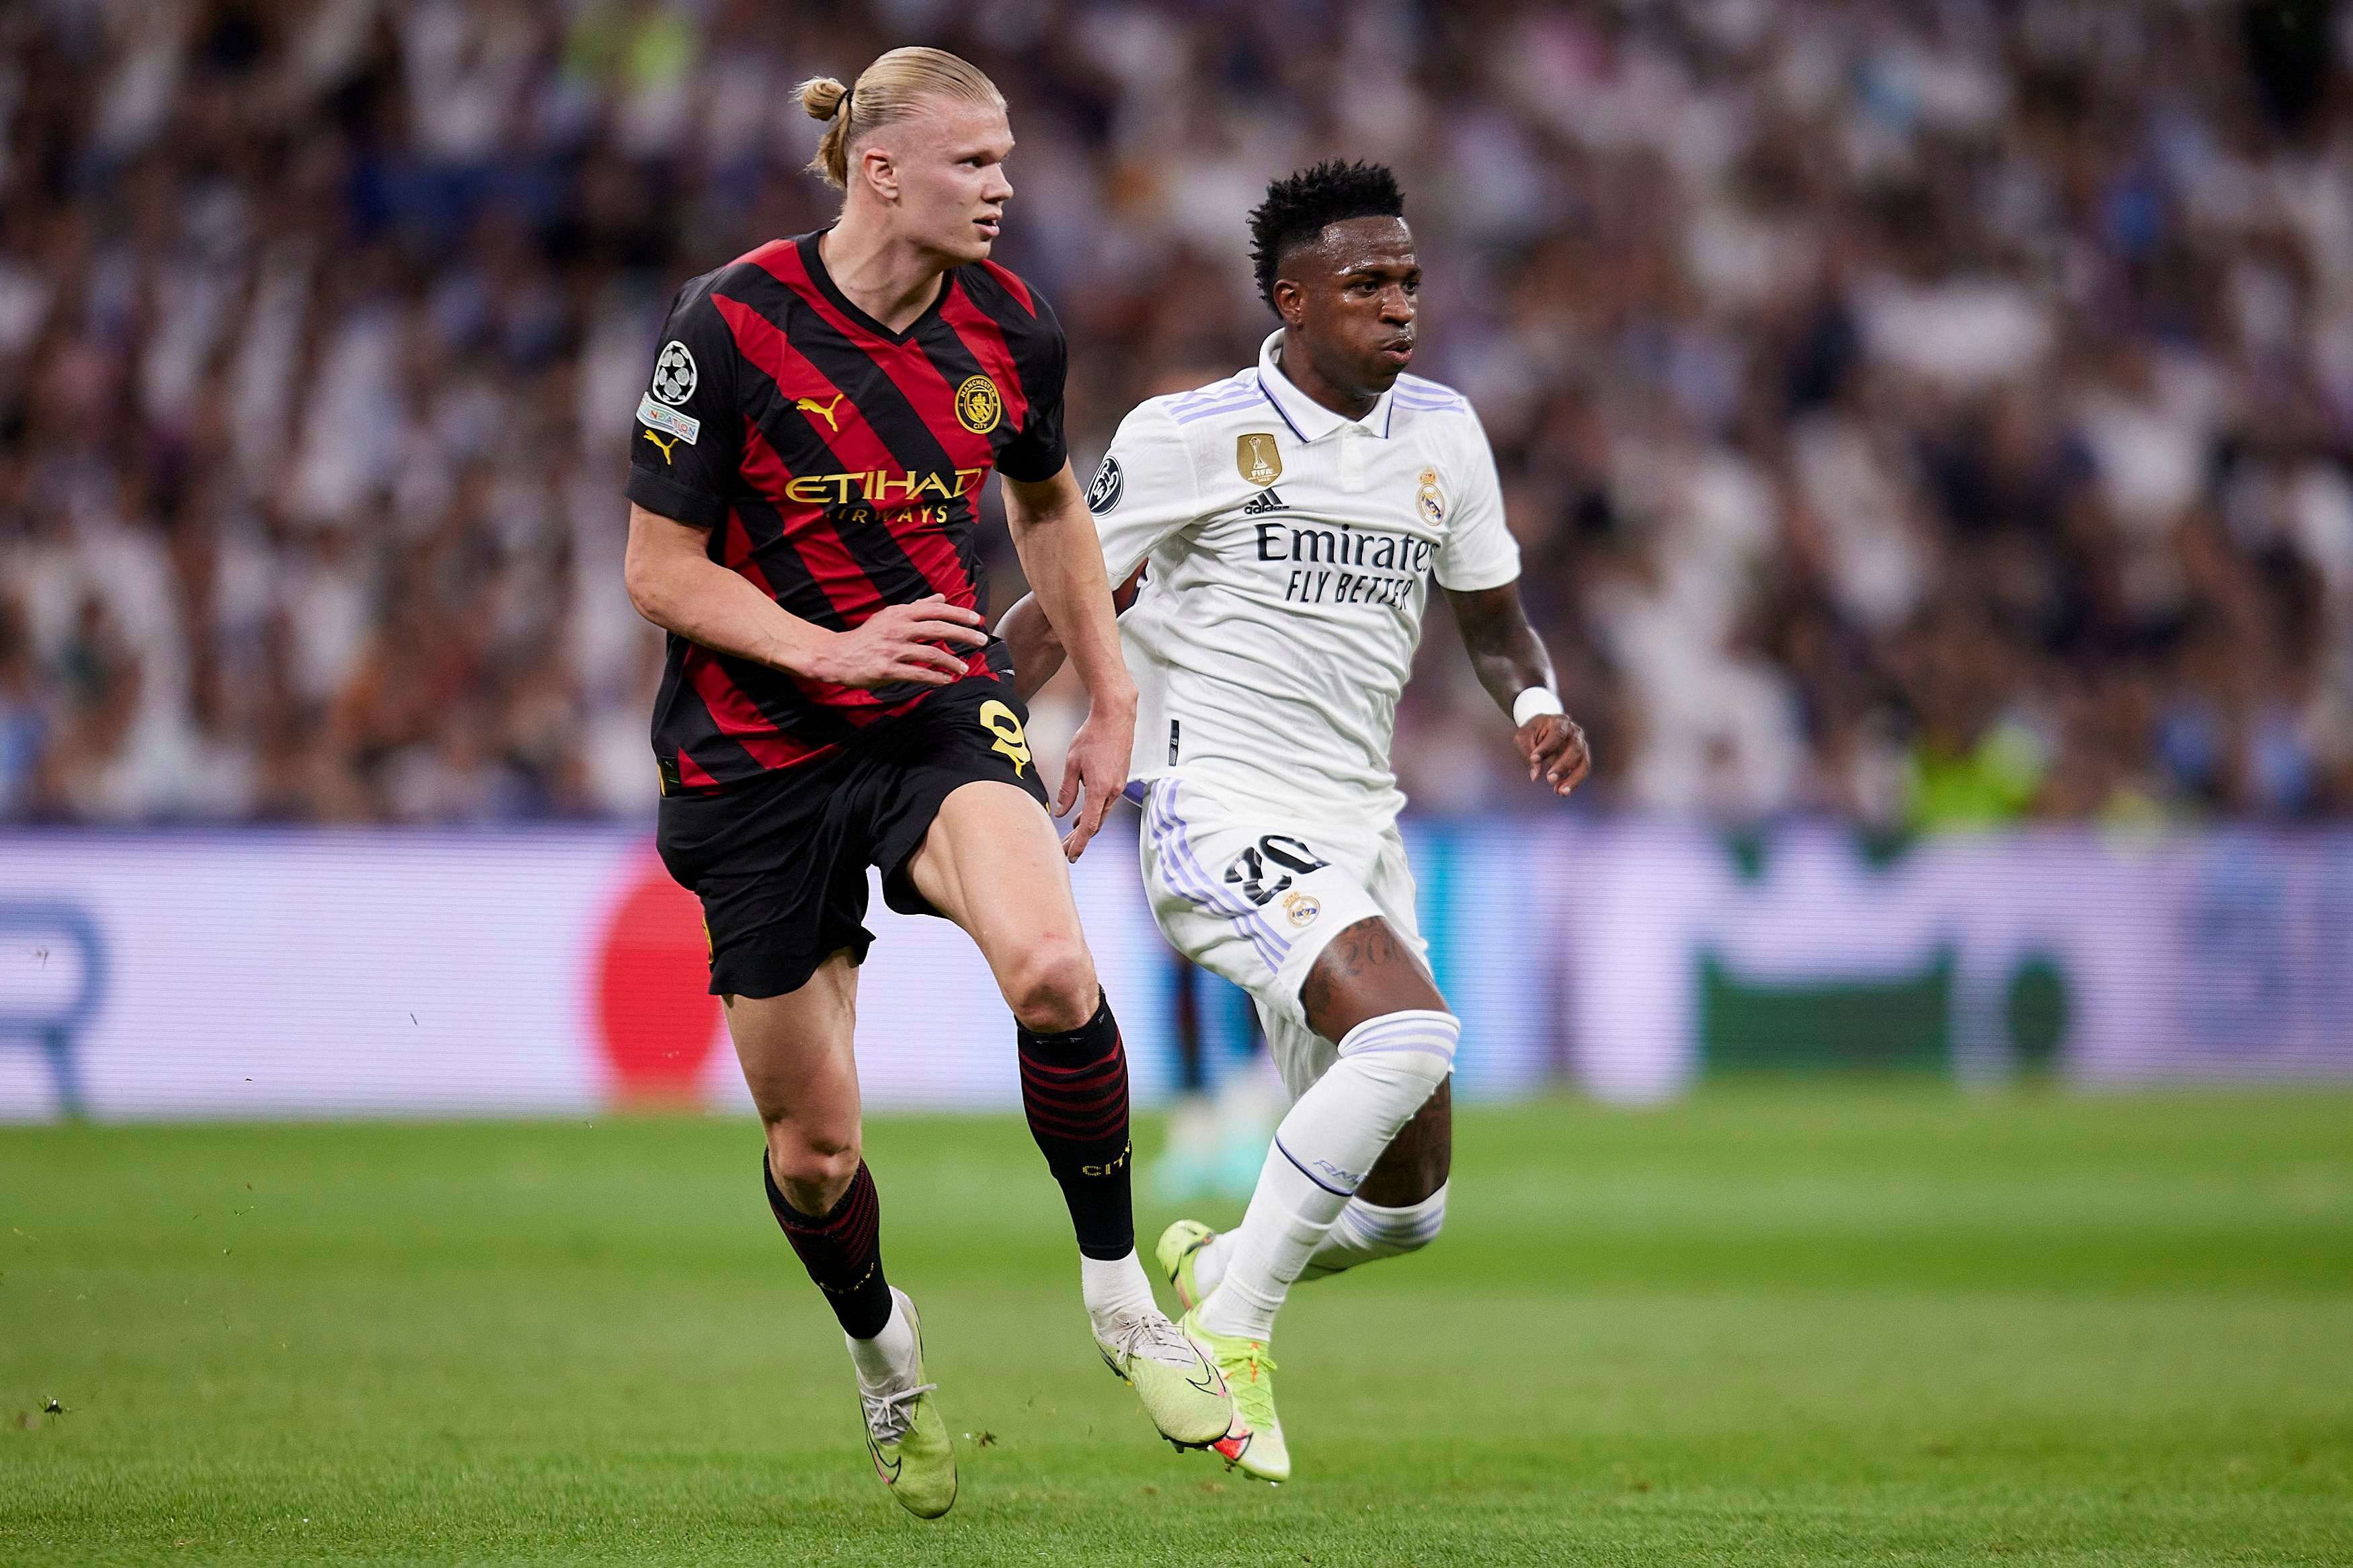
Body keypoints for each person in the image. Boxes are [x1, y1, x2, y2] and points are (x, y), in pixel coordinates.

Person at [619, 46, 1229, 1520]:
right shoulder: (735, 324)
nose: (1006, 189)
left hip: (933, 709)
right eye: (976, 164)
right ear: (881, 170)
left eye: (1009, 162)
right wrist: (828, 653)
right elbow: (658, 570)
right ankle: (887, 1359)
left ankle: (1116, 1295)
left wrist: (1109, 685)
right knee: (815, 1153)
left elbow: (1048, 505)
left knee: (1050, 974)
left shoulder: (1011, 328)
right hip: (754, 756)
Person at [998, 160, 1591, 1483]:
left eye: (1411, 282)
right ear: (1293, 298)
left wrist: (1535, 702)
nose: (1401, 307)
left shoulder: (1445, 435)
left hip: (1358, 832)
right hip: (1222, 810)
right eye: (1368, 285)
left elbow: (1493, 628)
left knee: (1406, 1214)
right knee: (1414, 1028)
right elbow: (1057, 602)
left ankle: (1217, 1262)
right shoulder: (1187, 434)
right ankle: (1235, 1337)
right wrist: (950, 745)